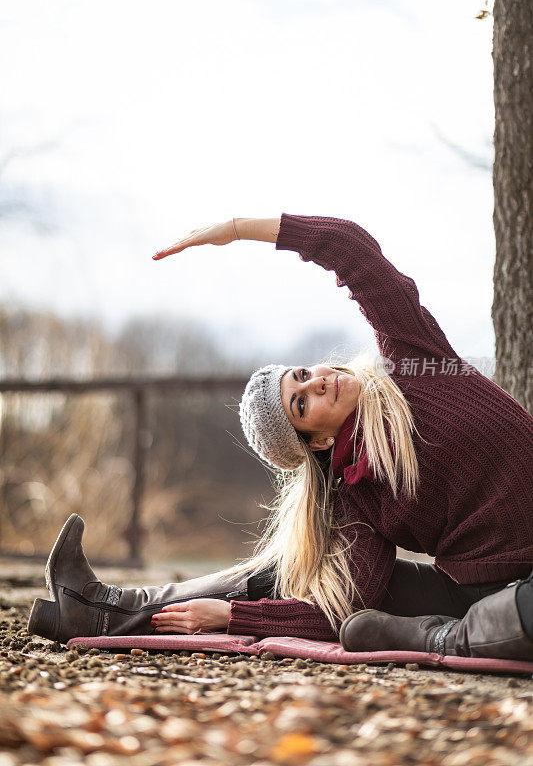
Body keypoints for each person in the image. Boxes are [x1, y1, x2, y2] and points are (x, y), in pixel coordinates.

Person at [28, 214, 533, 661]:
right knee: (300, 571)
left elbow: (353, 249)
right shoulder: (355, 495)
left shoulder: (418, 365)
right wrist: (230, 618)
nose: (317, 381)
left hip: (511, 602)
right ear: (314, 442)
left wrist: (236, 229)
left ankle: (436, 639)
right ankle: (102, 612)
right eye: (301, 402)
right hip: (485, 593)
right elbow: (335, 610)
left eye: (302, 374)